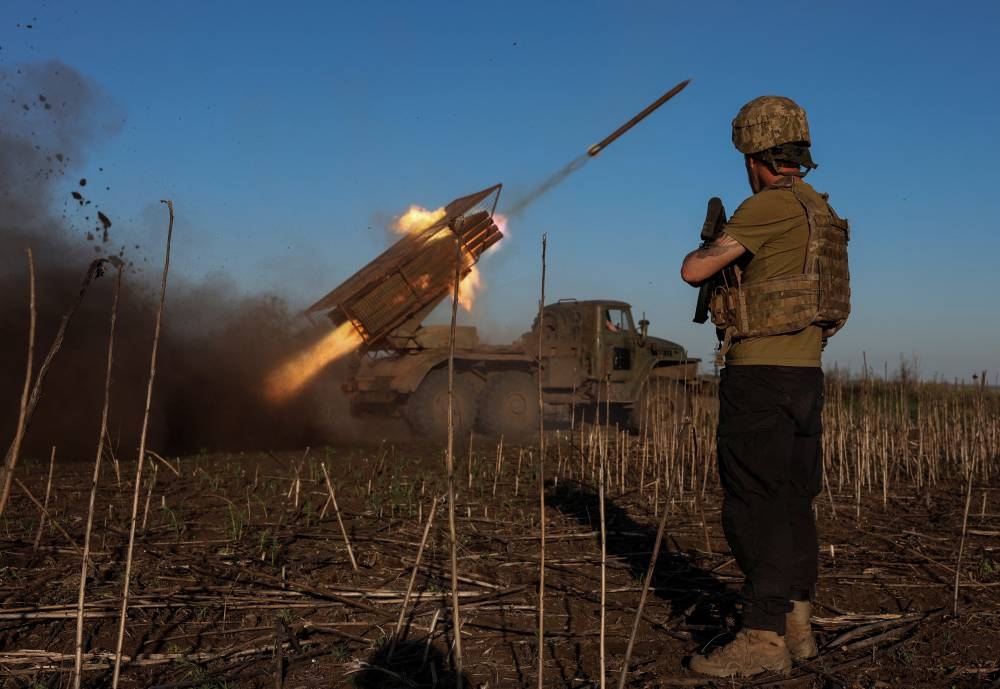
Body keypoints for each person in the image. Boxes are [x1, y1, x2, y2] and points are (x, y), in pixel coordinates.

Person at [679, 95, 851, 678]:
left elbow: (693, 269)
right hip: (805, 375)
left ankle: (761, 636)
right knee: (791, 501)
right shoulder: (818, 210)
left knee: (753, 503)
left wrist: (712, 240)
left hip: (760, 376)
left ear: (754, 153)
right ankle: (795, 623)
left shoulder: (768, 206)